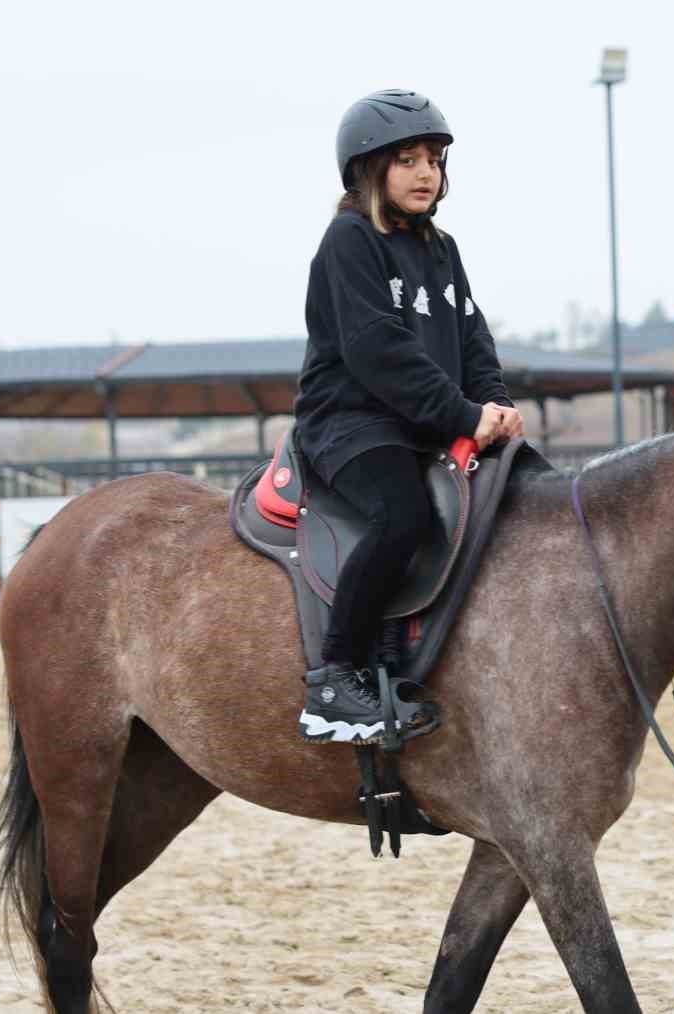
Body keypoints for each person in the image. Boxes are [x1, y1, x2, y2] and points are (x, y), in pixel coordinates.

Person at [291, 89, 523, 744]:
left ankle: (398, 667)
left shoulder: (442, 249)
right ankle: (335, 682)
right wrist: (461, 412)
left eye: (434, 160)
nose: (427, 174)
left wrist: (495, 403)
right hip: (352, 423)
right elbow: (377, 352)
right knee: (406, 516)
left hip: (423, 421)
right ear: (369, 170)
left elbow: (473, 340)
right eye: (408, 160)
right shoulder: (349, 241)